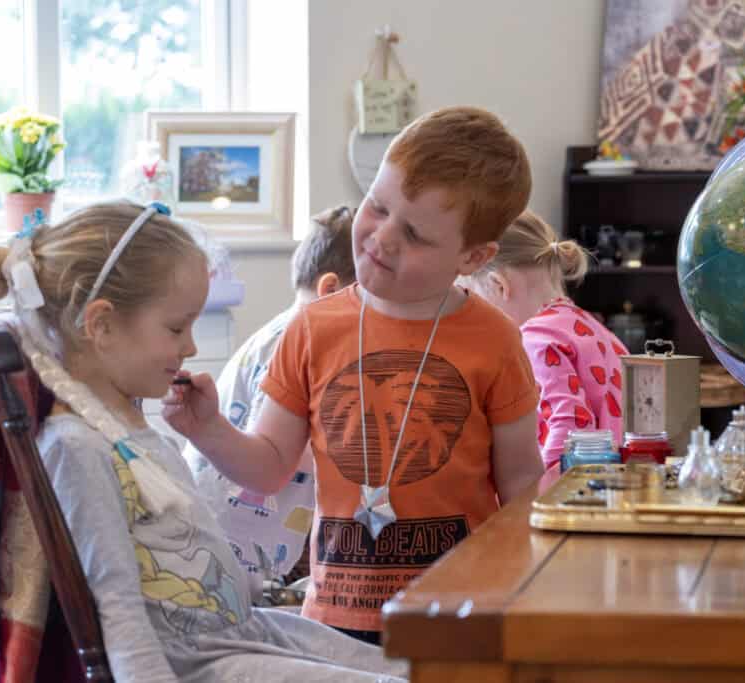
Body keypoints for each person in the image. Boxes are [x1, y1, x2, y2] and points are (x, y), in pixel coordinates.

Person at [0, 200, 405, 682]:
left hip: (244, 630)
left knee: (422, 669)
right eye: (177, 327)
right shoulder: (76, 446)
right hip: (198, 661)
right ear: (101, 325)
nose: (191, 347)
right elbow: (117, 604)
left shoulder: (131, 427)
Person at [163, 106, 544, 644]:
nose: (382, 237)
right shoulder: (312, 328)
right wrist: (207, 429)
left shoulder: (496, 339)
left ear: (472, 256)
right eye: (378, 206)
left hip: (459, 615)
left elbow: (522, 483)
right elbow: (269, 467)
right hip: (336, 621)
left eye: (414, 234)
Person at [183, 205, 356, 604]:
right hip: (232, 533)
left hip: (254, 531)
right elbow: (284, 448)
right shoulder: (294, 343)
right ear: (331, 291)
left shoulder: (292, 334)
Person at [461, 210, 627, 469]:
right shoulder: (594, 328)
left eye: (479, 300)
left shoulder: (536, 339)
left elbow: (568, 425)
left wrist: (536, 496)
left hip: (572, 496)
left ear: (499, 286)